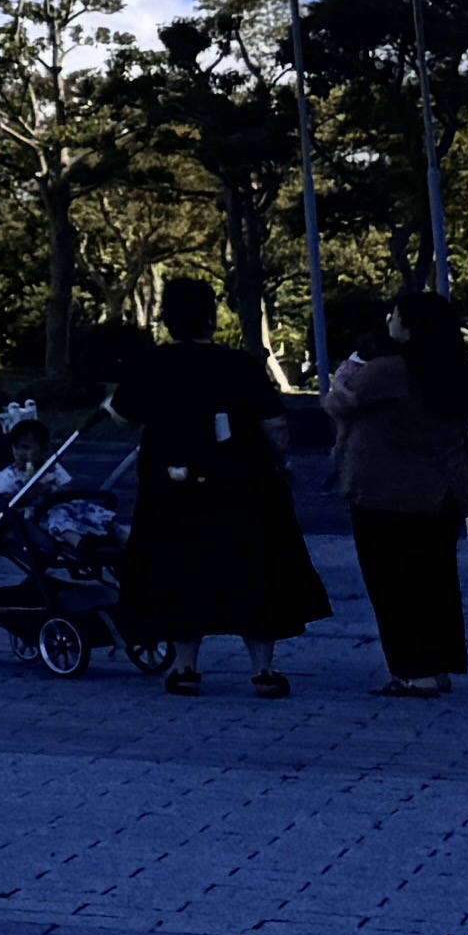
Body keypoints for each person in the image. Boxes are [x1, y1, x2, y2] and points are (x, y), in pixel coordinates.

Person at [111, 276, 325, 694]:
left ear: (167, 319)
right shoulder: (239, 364)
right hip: (242, 486)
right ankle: (263, 670)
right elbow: (274, 424)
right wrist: (281, 462)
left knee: (179, 571)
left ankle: (185, 668)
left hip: (170, 488)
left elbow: (124, 418)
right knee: (252, 571)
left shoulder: (151, 364)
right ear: (210, 317)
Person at [328, 289, 468, 694]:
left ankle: (413, 671)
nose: (388, 321)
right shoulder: (450, 370)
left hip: (387, 492)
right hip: (441, 490)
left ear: (409, 329)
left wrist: (347, 372)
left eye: (394, 316)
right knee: (435, 582)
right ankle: (440, 664)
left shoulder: (393, 370)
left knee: (393, 585)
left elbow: (340, 401)